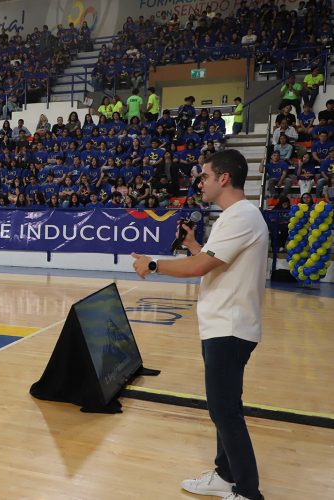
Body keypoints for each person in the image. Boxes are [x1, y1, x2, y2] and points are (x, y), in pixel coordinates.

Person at [132, 149, 267, 500]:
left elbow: (199, 268)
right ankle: (225, 474)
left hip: (230, 328)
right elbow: (212, 261)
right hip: (223, 326)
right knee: (224, 409)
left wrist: (153, 265)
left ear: (224, 178)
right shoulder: (235, 217)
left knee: (225, 412)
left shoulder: (242, 216)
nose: (200, 183)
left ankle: (247, 491)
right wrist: (194, 245)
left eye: (205, 176)